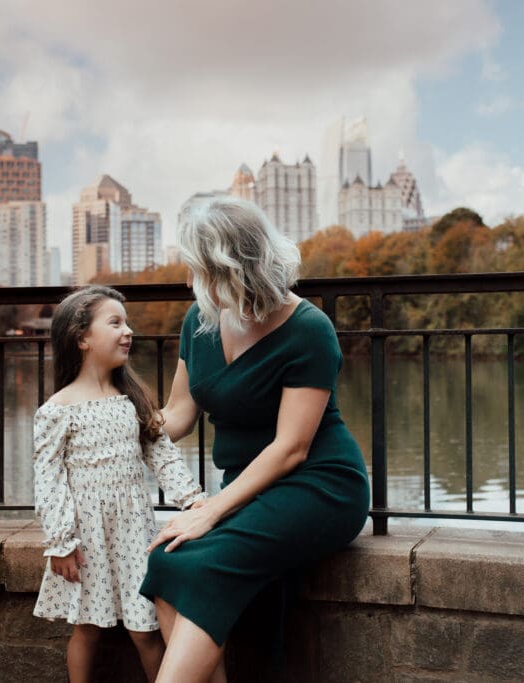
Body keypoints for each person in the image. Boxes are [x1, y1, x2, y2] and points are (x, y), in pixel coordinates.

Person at [140, 197, 371, 682]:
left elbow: (292, 447)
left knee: (207, 561)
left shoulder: (308, 329)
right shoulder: (199, 321)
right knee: (165, 562)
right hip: (247, 488)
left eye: (196, 270)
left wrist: (211, 509)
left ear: (229, 269)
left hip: (317, 485)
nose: (187, 282)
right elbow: (179, 413)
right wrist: (118, 424)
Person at [32, 285, 206, 682]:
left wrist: (195, 503)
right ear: (82, 338)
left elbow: (162, 457)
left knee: (145, 630)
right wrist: (61, 542)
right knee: (87, 629)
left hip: (133, 533)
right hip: (86, 539)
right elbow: (49, 481)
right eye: (115, 323)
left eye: (127, 322)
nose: (128, 331)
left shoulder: (132, 401)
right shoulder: (55, 411)